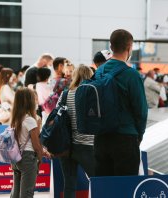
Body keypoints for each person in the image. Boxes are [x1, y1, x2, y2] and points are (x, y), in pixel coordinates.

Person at [94, 29, 148, 176]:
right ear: (129, 47)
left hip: (101, 138)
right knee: (125, 188)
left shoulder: (98, 72)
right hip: (125, 137)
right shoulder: (131, 75)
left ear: (111, 47)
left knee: (105, 187)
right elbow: (141, 111)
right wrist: (139, 134)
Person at [57, 65, 96, 198]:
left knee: (69, 184)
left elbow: (57, 115)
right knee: (96, 181)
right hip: (87, 145)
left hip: (66, 145)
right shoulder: (91, 93)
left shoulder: (65, 93)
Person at [10, 88, 49, 198]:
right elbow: (36, 145)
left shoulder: (15, 119)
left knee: (16, 193)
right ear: (29, 101)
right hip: (28, 158)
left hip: (16, 158)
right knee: (27, 193)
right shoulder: (30, 120)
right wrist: (40, 158)